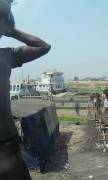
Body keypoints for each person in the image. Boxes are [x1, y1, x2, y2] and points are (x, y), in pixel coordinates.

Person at [0, 0, 51, 179]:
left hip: (7, 145)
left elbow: (43, 47)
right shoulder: (5, 57)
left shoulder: (5, 56)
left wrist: (10, 30)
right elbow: (43, 47)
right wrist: (11, 30)